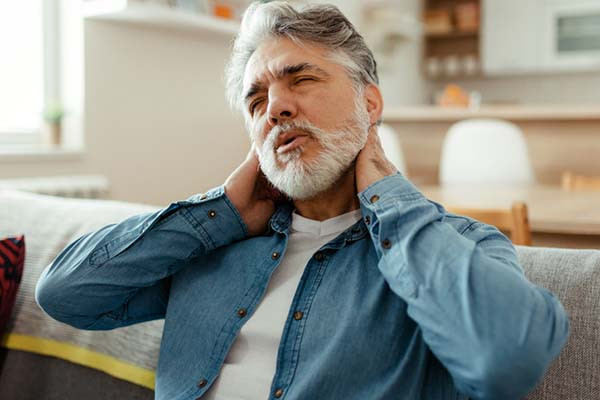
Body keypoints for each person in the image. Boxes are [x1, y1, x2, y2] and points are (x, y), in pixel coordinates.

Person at [36, 2, 569, 399]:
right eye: (256, 100)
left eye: (301, 79)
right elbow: (64, 293)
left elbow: (506, 362)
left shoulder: (458, 248)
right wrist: (217, 212)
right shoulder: (211, 249)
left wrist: (391, 198)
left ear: (370, 101)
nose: (276, 108)